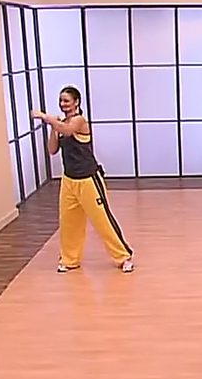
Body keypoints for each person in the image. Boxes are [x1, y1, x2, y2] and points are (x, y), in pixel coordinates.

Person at [31, 86, 134, 273]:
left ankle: (123, 256)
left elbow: (68, 131)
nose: (63, 104)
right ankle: (70, 259)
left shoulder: (79, 121)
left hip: (88, 179)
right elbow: (52, 150)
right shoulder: (60, 124)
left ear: (76, 102)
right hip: (69, 181)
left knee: (102, 220)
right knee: (69, 222)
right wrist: (53, 127)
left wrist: (47, 118)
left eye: (67, 101)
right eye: (61, 101)